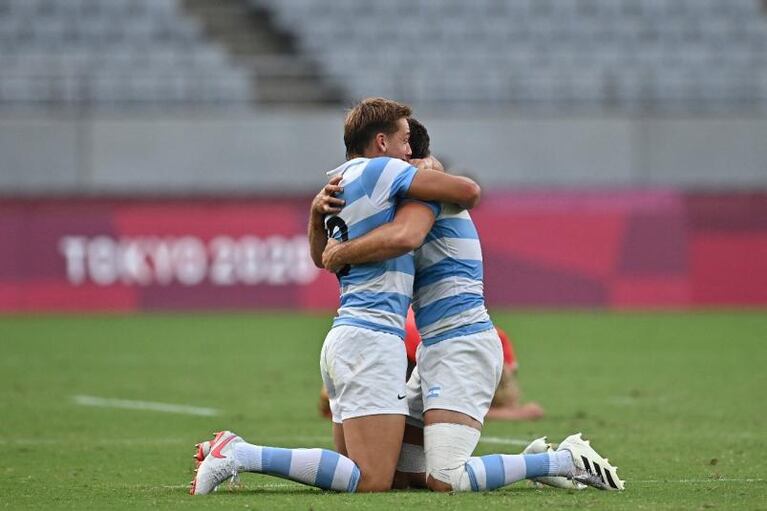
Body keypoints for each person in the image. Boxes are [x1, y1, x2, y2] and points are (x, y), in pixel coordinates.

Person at [190, 98, 484, 495]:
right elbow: (468, 191)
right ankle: (241, 453)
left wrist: (315, 219)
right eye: (403, 141)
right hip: (372, 341)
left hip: (344, 338)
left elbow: (320, 258)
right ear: (381, 142)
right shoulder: (384, 170)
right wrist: (428, 168)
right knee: (370, 479)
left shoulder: (338, 183)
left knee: (353, 472)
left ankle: (240, 453)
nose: (409, 151)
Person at [321, 117, 624, 493]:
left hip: (463, 343)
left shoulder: (421, 195)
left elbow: (405, 235)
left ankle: (564, 460)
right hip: (437, 348)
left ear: (406, 154)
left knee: (446, 480)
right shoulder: (405, 192)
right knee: (397, 475)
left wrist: (339, 253)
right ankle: (530, 463)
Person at [319, 308, 545, 422]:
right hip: (402, 346)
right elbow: (450, 409)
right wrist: (516, 413)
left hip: (381, 333)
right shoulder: (492, 344)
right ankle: (345, 391)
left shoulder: (492, 339)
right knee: (423, 408)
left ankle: (343, 388)